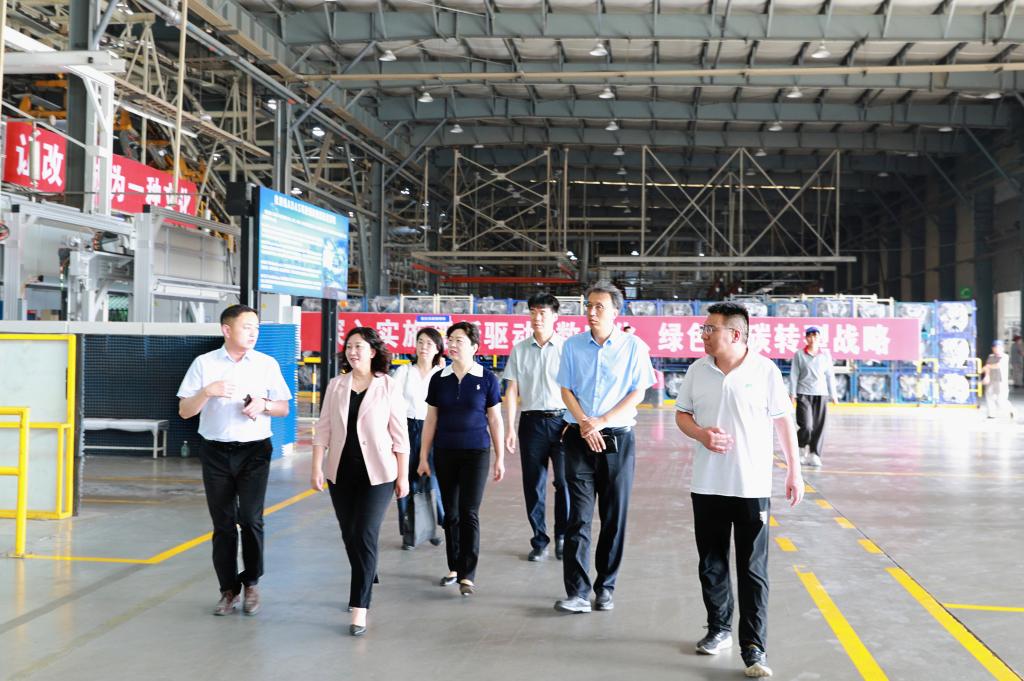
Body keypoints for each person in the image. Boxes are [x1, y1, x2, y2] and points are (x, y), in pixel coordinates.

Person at [674, 302, 804, 678]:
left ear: (735, 334)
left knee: (752, 569)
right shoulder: (697, 370)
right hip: (707, 484)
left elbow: (784, 423)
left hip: (751, 486)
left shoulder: (765, 371)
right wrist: (701, 434)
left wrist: (794, 472)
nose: (703, 334)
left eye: (709, 329)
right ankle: (718, 629)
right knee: (711, 562)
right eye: (703, 328)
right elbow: (682, 414)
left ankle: (754, 647)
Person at [177, 304, 292, 617]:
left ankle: (251, 581)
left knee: (251, 519)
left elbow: (283, 407)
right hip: (215, 452)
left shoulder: (266, 364)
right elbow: (185, 411)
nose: (253, 333)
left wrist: (263, 405)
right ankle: (228, 590)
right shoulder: (204, 364)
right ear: (226, 330)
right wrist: (207, 392)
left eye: (256, 328)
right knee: (223, 524)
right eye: (246, 327)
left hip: (255, 451)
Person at [554, 281, 656, 614]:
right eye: (589, 305)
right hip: (579, 438)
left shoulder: (634, 347)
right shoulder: (573, 346)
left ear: (615, 312)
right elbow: (566, 390)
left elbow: (638, 391)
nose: (592, 312)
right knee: (578, 518)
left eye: (600, 306)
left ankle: (606, 587)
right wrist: (586, 423)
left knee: (614, 517)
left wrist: (602, 420)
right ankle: (578, 593)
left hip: (617, 440)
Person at [311, 327, 410, 636]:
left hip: (378, 473)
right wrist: (317, 467)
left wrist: (403, 475)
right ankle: (368, 573)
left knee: (365, 533)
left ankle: (359, 607)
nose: (353, 352)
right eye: (349, 346)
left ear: (373, 351)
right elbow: (323, 428)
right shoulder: (336, 385)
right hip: (341, 472)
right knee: (350, 534)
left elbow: (400, 435)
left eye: (360, 346)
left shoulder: (388, 386)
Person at [418, 321, 505, 596]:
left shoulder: (487, 378)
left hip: (476, 452)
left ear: (474, 347)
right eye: (451, 340)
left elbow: (495, 420)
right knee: (451, 513)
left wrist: (500, 457)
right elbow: (431, 420)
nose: (452, 345)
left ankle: (468, 574)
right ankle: (454, 566)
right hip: (445, 452)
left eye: (459, 340)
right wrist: (423, 456)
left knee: (469, 512)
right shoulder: (439, 379)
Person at [504, 292, 570, 562]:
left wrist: (575, 421)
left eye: (542, 312)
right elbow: (511, 390)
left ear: (555, 317)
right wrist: (510, 427)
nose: (537, 317)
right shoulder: (519, 350)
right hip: (531, 423)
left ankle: (563, 536)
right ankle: (540, 540)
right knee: (533, 484)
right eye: (533, 312)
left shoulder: (567, 348)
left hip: (563, 423)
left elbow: (577, 389)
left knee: (564, 482)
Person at [393, 327, 446, 548]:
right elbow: (392, 402)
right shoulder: (404, 372)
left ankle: (431, 525)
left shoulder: (443, 374)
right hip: (406, 428)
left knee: (431, 480)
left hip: (433, 430)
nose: (424, 347)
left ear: (438, 349)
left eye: (429, 344)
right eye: (420, 342)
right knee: (405, 481)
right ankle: (409, 532)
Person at [788, 327, 838, 468]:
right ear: (806, 338)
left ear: (820, 338)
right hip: (803, 393)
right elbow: (794, 374)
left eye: (815, 336)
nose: (812, 338)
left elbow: (830, 375)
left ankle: (814, 454)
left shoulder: (825, 355)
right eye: (809, 336)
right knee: (807, 425)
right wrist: (792, 394)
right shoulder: (799, 354)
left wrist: (833, 394)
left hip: (821, 394)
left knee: (819, 426)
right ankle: (800, 448)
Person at [981, 339, 1015, 419]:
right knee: (989, 396)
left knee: (1001, 400)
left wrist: (988, 366)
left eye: (999, 347)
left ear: (1002, 348)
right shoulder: (991, 356)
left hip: (1001, 382)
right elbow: (987, 367)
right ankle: (991, 414)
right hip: (992, 380)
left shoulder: (1005, 357)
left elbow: (997, 365)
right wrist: (986, 376)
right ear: (993, 348)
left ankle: (1011, 410)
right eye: (995, 347)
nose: (997, 349)